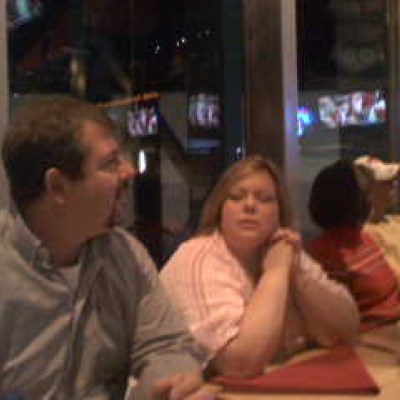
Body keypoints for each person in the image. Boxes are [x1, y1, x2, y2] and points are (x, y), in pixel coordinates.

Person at [0, 97, 215, 400]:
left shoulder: (124, 254)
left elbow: (166, 347)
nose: (129, 172)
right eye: (110, 163)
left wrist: (170, 385)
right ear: (58, 187)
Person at [160, 155, 359, 378]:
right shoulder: (197, 258)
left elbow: (346, 330)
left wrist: (298, 276)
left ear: (279, 214)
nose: (250, 205)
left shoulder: (282, 247)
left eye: (264, 199)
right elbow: (240, 364)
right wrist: (276, 273)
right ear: (219, 209)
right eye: (236, 197)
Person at [307, 160, 400, 332]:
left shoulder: (363, 238)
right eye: (366, 194)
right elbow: (335, 319)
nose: (370, 200)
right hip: (373, 336)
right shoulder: (326, 254)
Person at [353, 155, 400, 284]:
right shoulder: (364, 235)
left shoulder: (396, 220)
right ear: (366, 189)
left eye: (394, 180)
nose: (395, 184)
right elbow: (393, 278)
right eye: (387, 181)